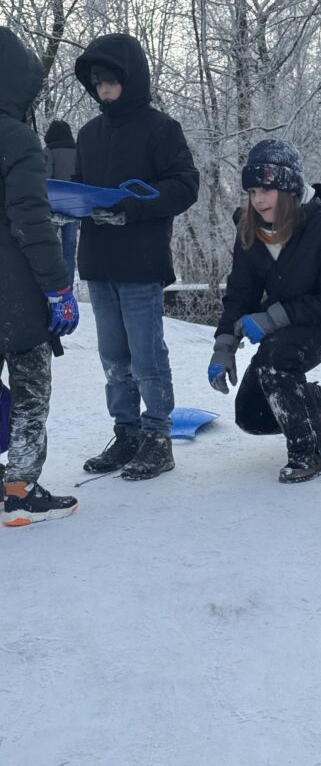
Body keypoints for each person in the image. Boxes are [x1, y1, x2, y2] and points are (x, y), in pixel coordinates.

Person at [73, 33, 199, 480]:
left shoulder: (160, 129)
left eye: (110, 80)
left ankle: (157, 438)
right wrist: (65, 204)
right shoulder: (88, 134)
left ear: (131, 77)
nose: (103, 89)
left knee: (146, 356)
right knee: (113, 357)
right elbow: (78, 188)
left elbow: (186, 185)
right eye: (96, 82)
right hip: (98, 262)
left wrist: (136, 204)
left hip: (140, 263)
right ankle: (125, 433)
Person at [209, 139, 321, 483]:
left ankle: (311, 454)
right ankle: (314, 401)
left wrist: (272, 318)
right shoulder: (250, 229)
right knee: (251, 414)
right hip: (284, 325)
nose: (258, 199)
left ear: (289, 188)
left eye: (267, 188)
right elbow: (240, 294)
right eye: (251, 190)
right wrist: (223, 346)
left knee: (277, 362)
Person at [0, 26, 79, 527]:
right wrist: (58, 288)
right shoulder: (17, 139)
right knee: (30, 387)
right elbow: (31, 219)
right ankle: (21, 489)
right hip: (14, 293)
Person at [43, 119, 78, 285]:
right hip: (74, 206)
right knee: (69, 250)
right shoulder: (78, 151)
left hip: (54, 205)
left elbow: (46, 178)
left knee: (48, 245)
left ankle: (51, 283)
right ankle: (68, 285)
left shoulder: (49, 151)